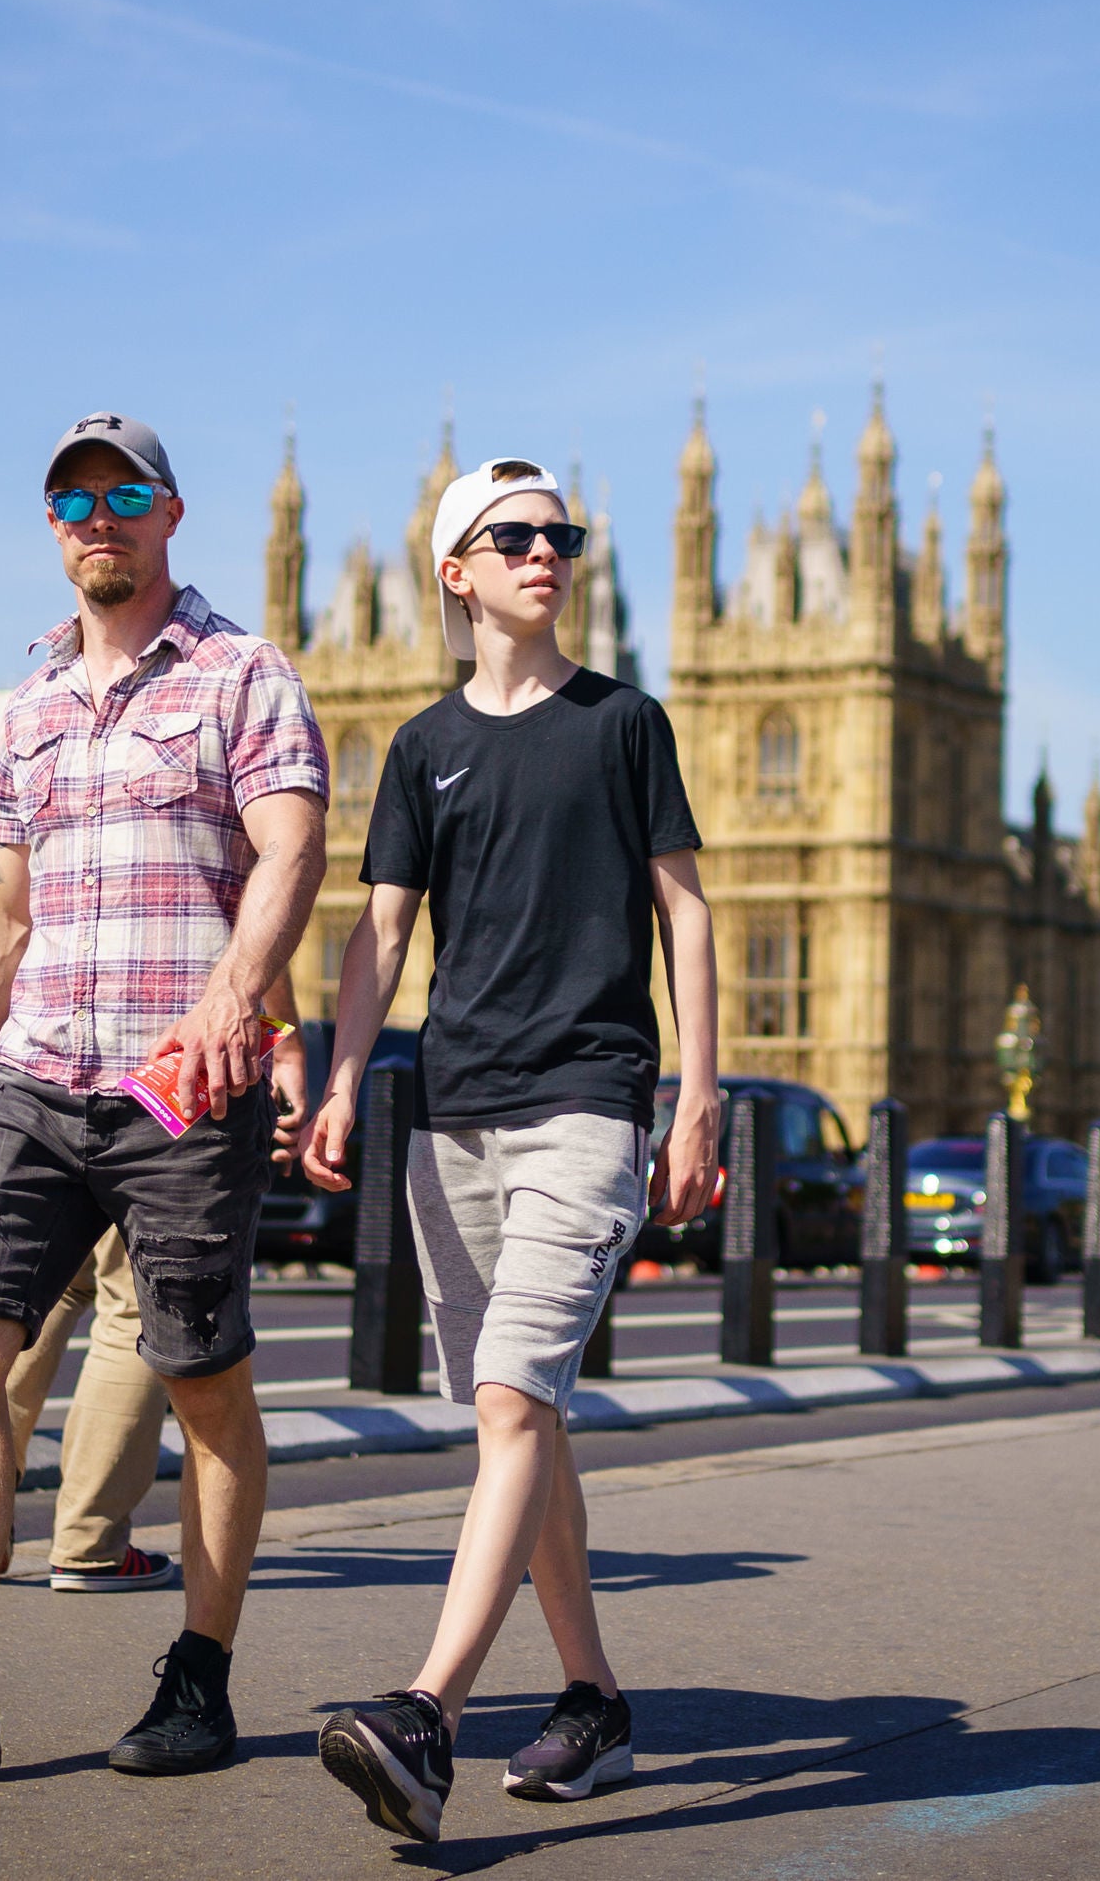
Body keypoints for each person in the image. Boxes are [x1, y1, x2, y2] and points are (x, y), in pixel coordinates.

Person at [0, 412, 327, 1774]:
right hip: (37, 1070)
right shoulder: (24, 711)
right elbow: (5, 913)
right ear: (50, 526)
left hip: (175, 1081)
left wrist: (238, 994)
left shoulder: (241, 676)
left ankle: (197, 1677)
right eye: (74, 497)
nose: (99, 514)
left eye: (123, 491)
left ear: (170, 512)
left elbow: (293, 847)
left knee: (199, 1378)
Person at [301, 455, 722, 1844]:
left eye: (564, 534)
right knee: (520, 1415)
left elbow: (690, 915)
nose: (548, 551)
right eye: (516, 535)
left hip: (591, 1104)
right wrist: (346, 1076)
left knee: (506, 1399)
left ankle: (428, 1710)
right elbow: (380, 931)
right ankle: (594, 1695)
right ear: (457, 570)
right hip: (456, 1118)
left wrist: (700, 1090)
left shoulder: (626, 725)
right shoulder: (424, 745)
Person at [3, 997, 306, 1589]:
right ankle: (90, 1543)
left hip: (33, 1071)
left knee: (31, 1300)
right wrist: (287, 1049)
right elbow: (255, 925)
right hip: (151, 1069)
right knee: (132, 1305)